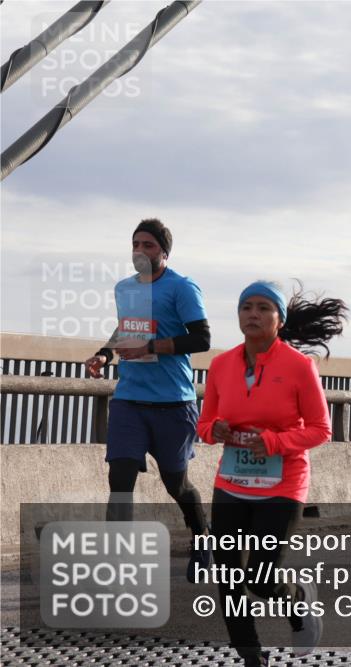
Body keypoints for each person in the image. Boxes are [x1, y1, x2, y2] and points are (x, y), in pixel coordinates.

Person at [196, 281, 346, 666]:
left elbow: (320, 429)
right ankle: (252, 659)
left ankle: (297, 600)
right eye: (246, 307)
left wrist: (275, 443)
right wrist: (217, 430)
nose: (253, 314)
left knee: (262, 580)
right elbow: (204, 423)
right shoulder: (221, 365)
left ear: (279, 320)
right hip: (231, 482)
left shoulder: (298, 367)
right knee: (229, 581)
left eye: (263, 308)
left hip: (282, 485)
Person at [85, 219, 211, 581]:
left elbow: (201, 339)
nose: (140, 251)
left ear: (164, 252)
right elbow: (125, 330)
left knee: (178, 485)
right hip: (130, 400)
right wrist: (104, 355)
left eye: (148, 245)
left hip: (173, 402)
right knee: (120, 478)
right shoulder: (125, 288)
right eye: (135, 244)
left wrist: (152, 347)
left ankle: (202, 540)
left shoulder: (182, 288)